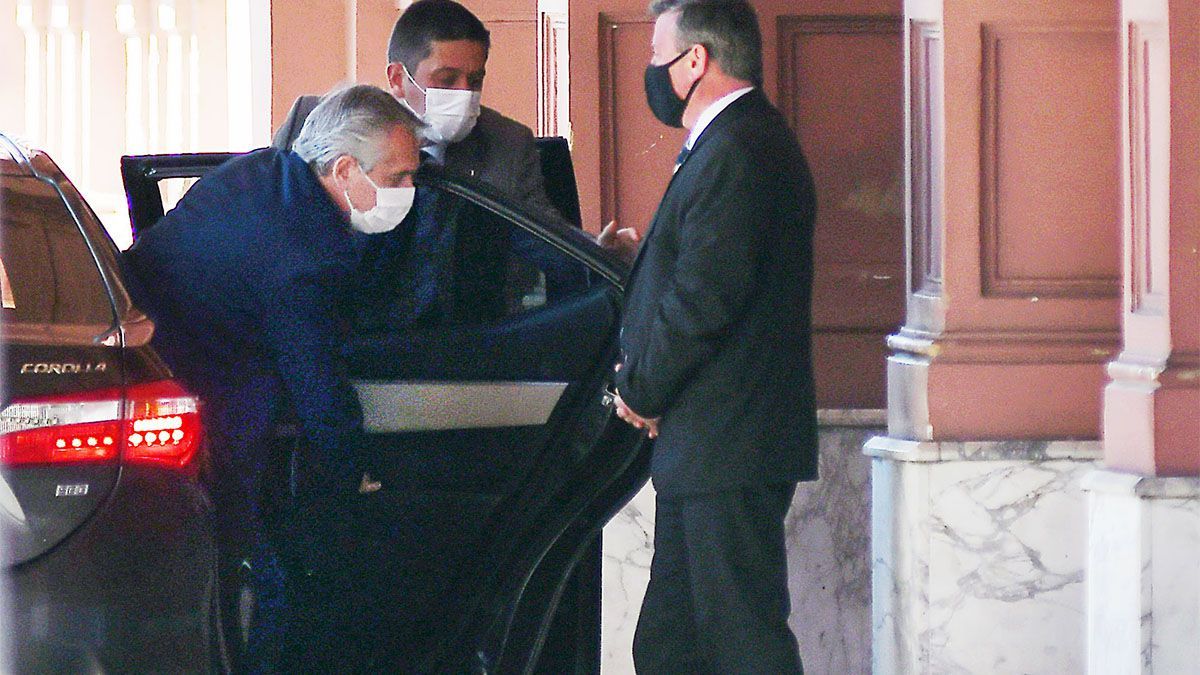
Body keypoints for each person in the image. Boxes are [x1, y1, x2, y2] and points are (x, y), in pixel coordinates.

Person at [122, 84, 422, 673]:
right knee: (265, 592)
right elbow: (317, 385)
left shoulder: (262, 173)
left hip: (153, 381)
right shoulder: (304, 254)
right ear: (344, 169)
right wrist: (351, 472)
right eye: (400, 177)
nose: (410, 192)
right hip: (200, 420)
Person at [610, 1, 818, 673]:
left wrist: (641, 389)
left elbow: (703, 298)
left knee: (741, 640)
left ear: (694, 59)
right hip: (711, 444)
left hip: (728, 441)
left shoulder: (738, 148)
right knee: (671, 645)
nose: (651, 70)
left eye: (657, 55)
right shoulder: (734, 142)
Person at [272, 0, 637, 250]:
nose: (464, 93)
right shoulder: (313, 121)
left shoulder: (507, 143)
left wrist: (597, 249)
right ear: (398, 79)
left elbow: (546, 236)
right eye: (446, 80)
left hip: (461, 324)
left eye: (475, 80)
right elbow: (271, 221)